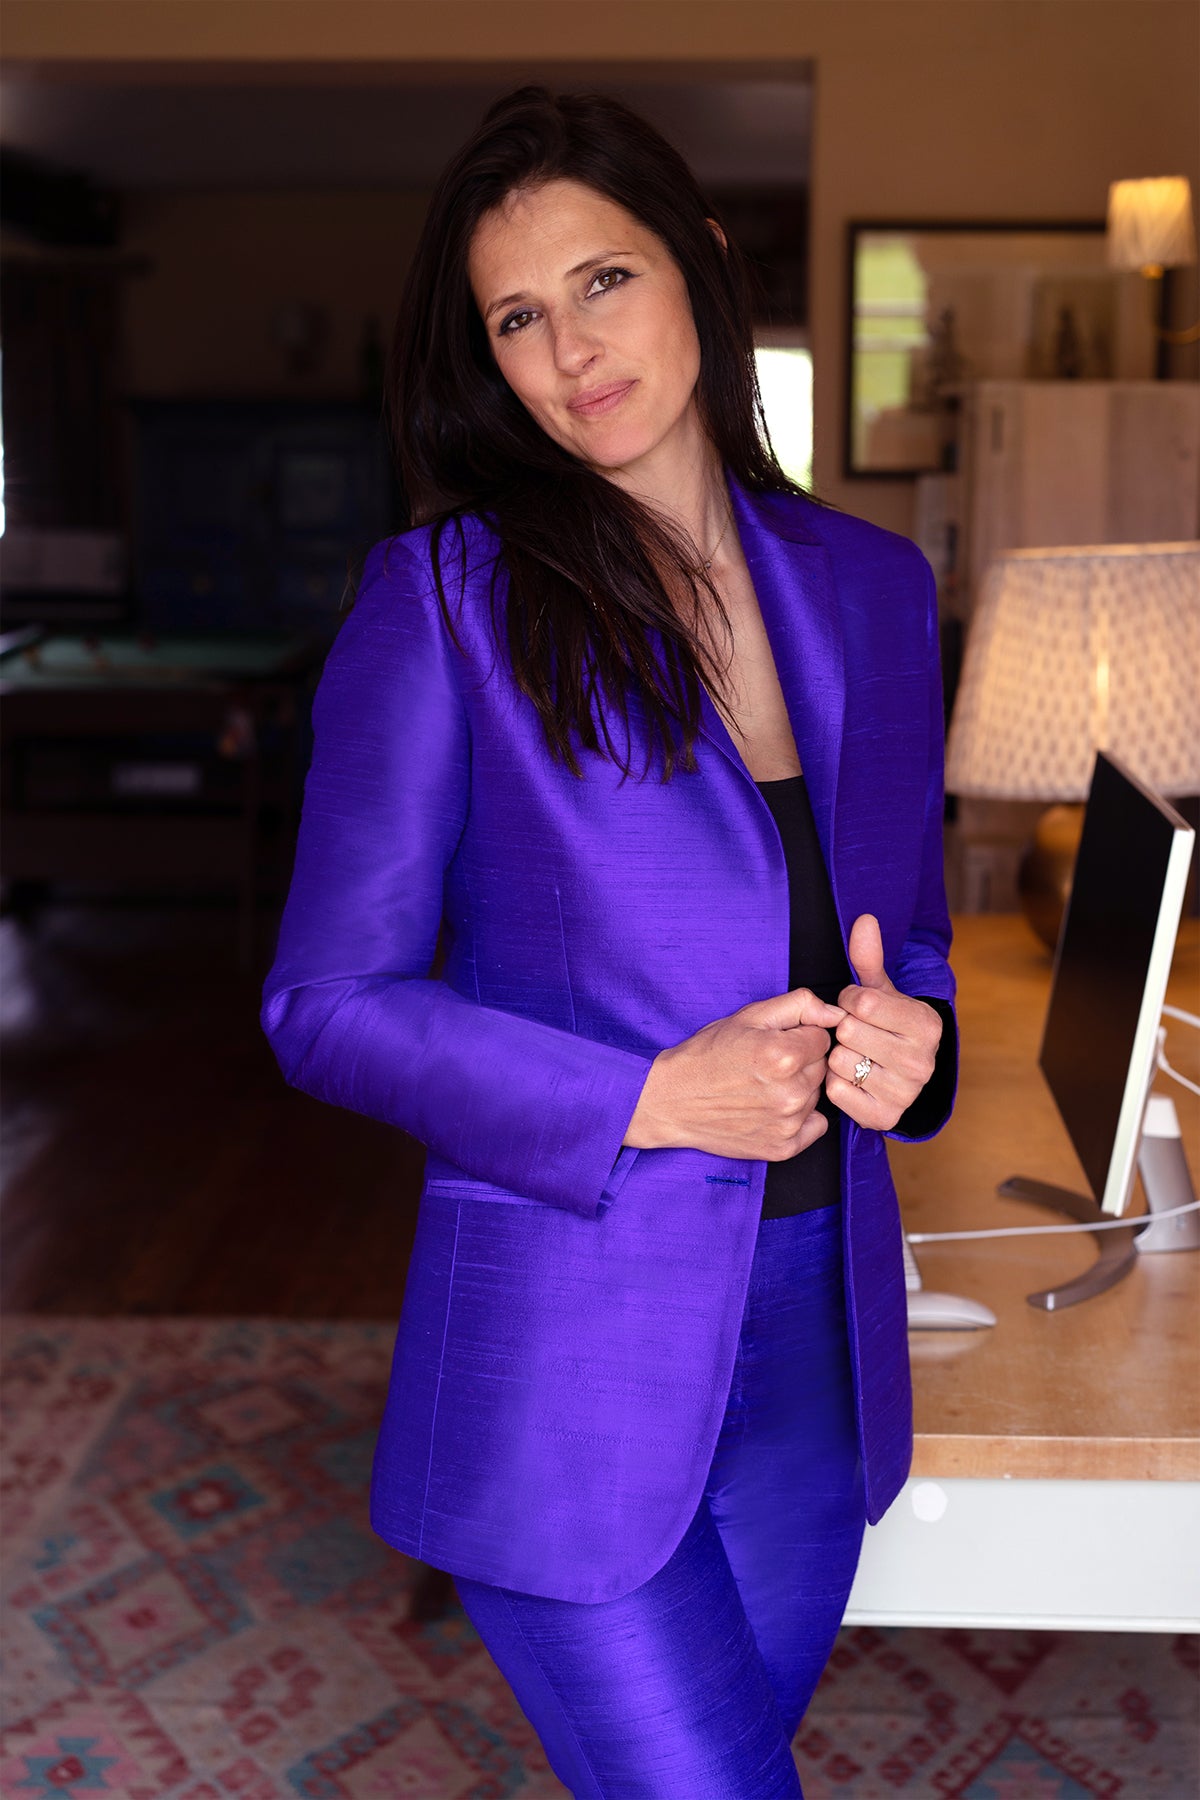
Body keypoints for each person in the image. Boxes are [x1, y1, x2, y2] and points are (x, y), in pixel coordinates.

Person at [263, 86, 956, 1800]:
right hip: (566, 1377)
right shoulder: (444, 601)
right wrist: (648, 1096)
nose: (570, 350)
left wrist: (916, 1047)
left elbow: (911, 945)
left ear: (700, 266)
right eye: (517, 317)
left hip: (819, 1353)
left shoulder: (873, 588)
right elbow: (326, 1003)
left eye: (603, 281)